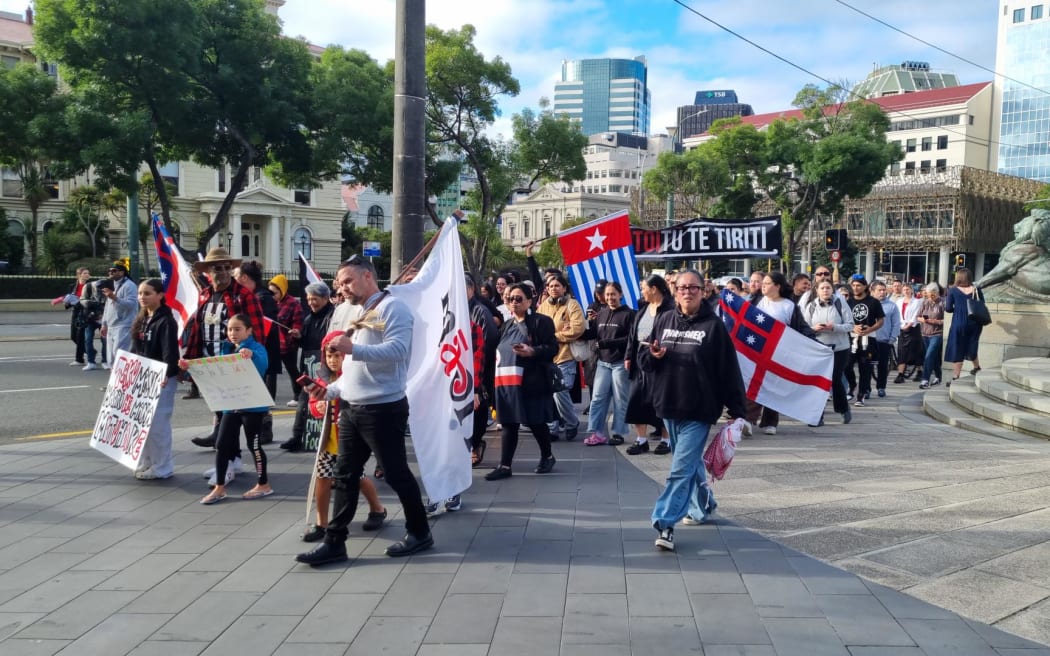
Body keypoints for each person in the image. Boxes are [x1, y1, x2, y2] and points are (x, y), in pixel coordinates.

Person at [296, 255, 432, 566]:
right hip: (352, 407)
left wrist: (352, 348)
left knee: (397, 474)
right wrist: (328, 390)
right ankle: (335, 541)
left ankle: (420, 531)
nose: (342, 288)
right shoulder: (360, 312)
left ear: (368, 276)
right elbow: (353, 371)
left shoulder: (393, 308)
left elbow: (399, 351)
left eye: (347, 281)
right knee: (344, 476)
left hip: (382, 408)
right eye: (340, 283)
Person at [639, 269, 748, 552]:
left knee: (680, 469)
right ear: (675, 291)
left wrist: (738, 409)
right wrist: (652, 355)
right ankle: (704, 505)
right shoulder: (663, 319)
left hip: (699, 409)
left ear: (704, 291)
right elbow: (644, 361)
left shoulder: (714, 327)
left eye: (693, 288)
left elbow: (728, 370)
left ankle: (664, 523)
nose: (687, 292)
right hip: (668, 405)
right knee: (690, 465)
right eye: (682, 288)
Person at [182, 247, 265, 484]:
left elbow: (256, 331)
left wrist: (246, 358)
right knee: (220, 411)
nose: (223, 272)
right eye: (217, 268)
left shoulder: (243, 296)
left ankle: (226, 464)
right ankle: (234, 459)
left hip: (233, 364)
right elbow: (197, 329)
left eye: (227, 267)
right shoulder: (206, 295)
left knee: (229, 416)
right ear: (208, 271)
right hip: (210, 363)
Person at [302, 331, 387, 542]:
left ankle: (377, 508)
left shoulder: (353, 378)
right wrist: (318, 408)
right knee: (322, 478)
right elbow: (313, 404)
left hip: (347, 440)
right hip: (328, 439)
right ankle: (322, 522)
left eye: (337, 356)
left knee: (356, 478)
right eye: (329, 356)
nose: (332, 360)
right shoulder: (322, 378)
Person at [192, 314, 274, 504]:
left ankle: (264, 484)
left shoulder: (256, 348)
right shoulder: (227, 349)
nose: (233, 333)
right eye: (230, 329)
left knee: (253, 446)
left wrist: (250, 355)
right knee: (221, 445)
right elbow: (214, 371)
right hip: (231, 406)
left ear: (249, 331)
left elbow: (263, 366)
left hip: (253, 407)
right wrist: (190, 368)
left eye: (237, 329)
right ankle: (219, 487)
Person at [484, 282, 558, 481]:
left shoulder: (541, 322)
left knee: (536, 422)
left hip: (532, 382)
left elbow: (552, 349)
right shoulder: (506, 325)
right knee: (508, 424)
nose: (513, 303)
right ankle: (505, 465)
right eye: (510, 299)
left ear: (529, 301)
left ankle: (547, 456)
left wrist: (533, 351)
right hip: (507, 385)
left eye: (518, 299)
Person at [129, 279, 180, 480]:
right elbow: (135, 349)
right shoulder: (142, 318)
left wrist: (166, 374)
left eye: (148, 293)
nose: (142, 297)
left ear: (160, 295)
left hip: (160, 378)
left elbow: (170, 351)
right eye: (140, 293)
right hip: (143, 376)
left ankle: (163, 466)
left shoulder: (166, 321)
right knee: (142, 423)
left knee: (158, 424)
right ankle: (147, 461)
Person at [281, 282, 334, 452]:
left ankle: (326, 437)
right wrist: (297, 336)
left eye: (315, 299)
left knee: (326, 403)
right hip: (309, 366)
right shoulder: (309, 318)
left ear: (326, 298)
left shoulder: (333, 316)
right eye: (309, 299)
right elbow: (305, 342)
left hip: (326, 367)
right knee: (303, 402)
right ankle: (297, 436)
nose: (311, 302)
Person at [625, 275, 674, 455]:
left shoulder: (670, 309)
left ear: (654, 289)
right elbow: (633, 334)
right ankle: (641, 439)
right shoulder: (643, 308)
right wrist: (628, 355)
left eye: (644, 288)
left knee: (661, 401)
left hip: (661, 362)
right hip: (640, 361)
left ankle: (666, 439)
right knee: (636, 399)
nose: (642, 292)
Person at [582, 281, 634, 446]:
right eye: (608, 294)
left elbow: (631, 339)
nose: (610, 297)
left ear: (621, 295)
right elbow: (593, 333)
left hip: (620, 363)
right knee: (597, 398)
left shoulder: (630, 314)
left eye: (613, 294)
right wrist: (576, 330)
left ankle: (618, 433)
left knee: (620, 399)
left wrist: (607, 343)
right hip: (603, 363)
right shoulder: (602, 313)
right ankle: (596, 432)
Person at [235, 261, 281, 444]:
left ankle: (265, 430)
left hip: (263, 354)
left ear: (244, 278)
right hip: (252, 353)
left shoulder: (262, 297)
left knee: (263, 393)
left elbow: (262, 326)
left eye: (236, 275)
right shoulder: (253, 295)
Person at [536, 273, 585, 441]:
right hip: (547, 357)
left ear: (564, 288)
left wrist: (553, 336)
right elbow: (537, 328)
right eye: (550, 286)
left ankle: (571, 422)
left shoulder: (573, 305)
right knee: (549, 393)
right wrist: (559, 332)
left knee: (560, 391)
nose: (553, 289)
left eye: (557, 286)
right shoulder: (543, 306)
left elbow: (577, 329)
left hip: (565, 357)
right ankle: (552, 428)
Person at [801, 279, 854, 424]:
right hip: (820, 348)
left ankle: (843, 409)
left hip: (840, 348)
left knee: (835, 379)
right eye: (822, 288)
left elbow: (850, 325)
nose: (825, 291)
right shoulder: (811, 306)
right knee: (819, 381)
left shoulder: (840, 302)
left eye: (828, 288)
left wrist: (834, 327)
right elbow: (805, 328)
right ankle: (817, 415)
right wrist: (814, 329)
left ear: (832, 290)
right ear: (816, 290)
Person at [752, 272, 796, 434]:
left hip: (779, 352)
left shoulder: (789, 306)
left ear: (777, 286)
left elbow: (799, 329)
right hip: (758, 350)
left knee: (773, 386)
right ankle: (749, 419)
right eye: (762, 283)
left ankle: (770, 422)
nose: (763, 285)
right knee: (754, 382)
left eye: (767, 283)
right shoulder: (758, 301)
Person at [466, 273, 498, 469]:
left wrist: (478, 379)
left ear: (471, 290)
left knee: (478, 410)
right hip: (455, 371)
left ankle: (475, 444)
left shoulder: (479, 310)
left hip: (478, 371)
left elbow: (487, 342)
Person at [845, 274, 885, 407]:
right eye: (853, 285)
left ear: (865, 286)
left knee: (865, 368)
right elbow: (843, 320)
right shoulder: (847, 302)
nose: (855, 288)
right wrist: (853, 327)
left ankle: (861, 395)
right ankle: (852, 385)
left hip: (869, 339)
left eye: (858, 285)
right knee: (847, 366)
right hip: (851, 339)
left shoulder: (873, 302)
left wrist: (870, 329)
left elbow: (880, 320)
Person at [944, 268, 984, 385]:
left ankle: (956, 376)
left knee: (958, 347)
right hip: (975, 323)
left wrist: (958, 307)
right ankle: (977, 367)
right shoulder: (976, 289)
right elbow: (982, 304)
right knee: (972, 344)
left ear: (958, 278)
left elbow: (948, 308)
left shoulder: (953, 291)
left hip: (959, 322)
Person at [269, 274, 304, 405]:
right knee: (270, 372)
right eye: (270, 292)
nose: (272, 295)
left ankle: (298, 395)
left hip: (288, 343)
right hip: (272, 342)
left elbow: (298, 322)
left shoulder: (293, 303)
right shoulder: (270, 302)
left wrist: (295, 331)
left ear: (282, 290)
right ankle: (269, 400)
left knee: (292, 369)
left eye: (274, 293)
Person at [100, 262, 138, 368]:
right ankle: (113, 383)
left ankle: (120, 383)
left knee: (120, 355)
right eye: (109, 270)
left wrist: (114, 297)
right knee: (111, 357)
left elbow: (132, 304)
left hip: (123, 325)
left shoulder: (129, 285)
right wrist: (104, 324)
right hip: (111, 325)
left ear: (122, 272)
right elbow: (108, 306)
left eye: (114, 271)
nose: (110, 272)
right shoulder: (115, 286)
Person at [870, 280, 901, 398]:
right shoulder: (869, 304)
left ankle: (881, 387)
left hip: (884, 341)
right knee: (867, 366)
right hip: (869, 340)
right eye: (879, 290)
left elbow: (896, 324)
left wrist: (892, 339)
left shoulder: (892, 306)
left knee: (883, 366)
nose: (882, 292)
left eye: (884, 290)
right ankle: (866, 389)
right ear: (873, 291)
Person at [894, 284, 924, 383]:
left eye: (908, 289)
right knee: (902, 351)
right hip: (902, 328)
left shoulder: (917, 302)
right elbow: (897, 314)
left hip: (913, 328)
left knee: (916, 351)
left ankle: (919, 371)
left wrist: (909, 324)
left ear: (911, 290)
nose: (906, 291)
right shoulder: (899, 301)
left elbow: (916, 314)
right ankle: (900, 374)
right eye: (904, 290)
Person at [917, 283, 945, 389]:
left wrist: (934, 321)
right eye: (928, 295)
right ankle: (938, 376)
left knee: (929, 356)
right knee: (934, 356)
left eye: (932, 295)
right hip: (925, 333)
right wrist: (923, 320)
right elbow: (918, 317)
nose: (930, 297)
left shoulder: (942, 303)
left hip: (937, 333)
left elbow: (946, 320)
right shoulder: (925, 302)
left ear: (937, 293)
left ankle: (925, 380)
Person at [62, 267, 91, 366]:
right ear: (78, 275)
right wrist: (67, 303)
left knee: (80, 336)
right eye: (84, 273)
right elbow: (69, 300)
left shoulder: (91, 286)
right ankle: (91, 352)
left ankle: (79, 359)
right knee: (73, 336)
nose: (87, 275)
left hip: (86, 312)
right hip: (76, 312)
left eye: (88, 273)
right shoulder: (72, 286)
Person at [79, 272, 108, 371]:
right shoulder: (88, 287)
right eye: (99, 290)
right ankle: (91, 362)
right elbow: (82, 300)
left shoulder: (109, 288)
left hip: (104, 318)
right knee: (88, 340)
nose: (101, 292)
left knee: (105, 340)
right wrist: (91, 303)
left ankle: (105, 361)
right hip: (90, 317)